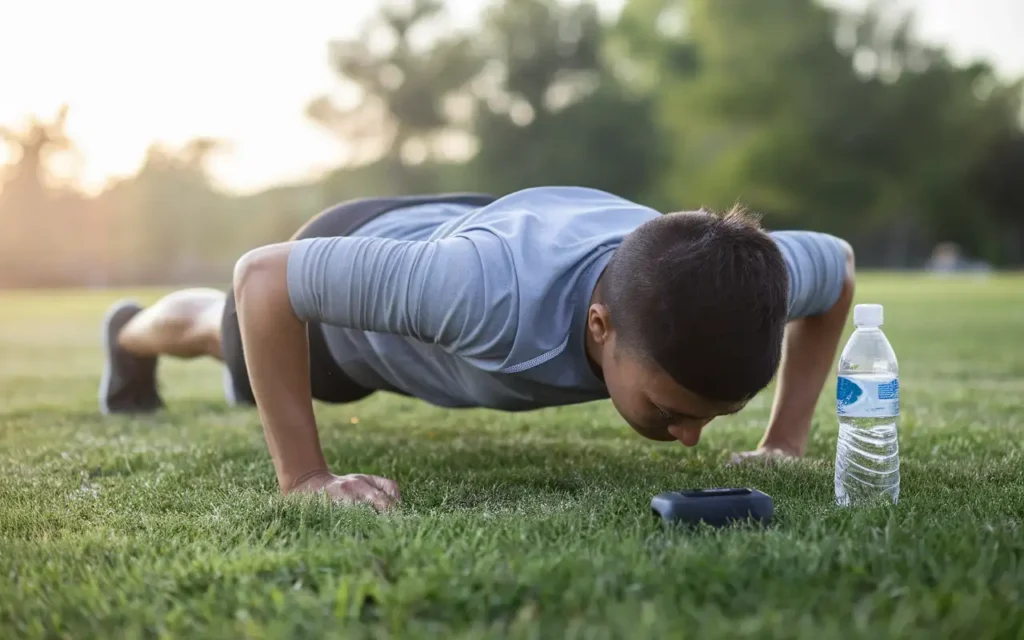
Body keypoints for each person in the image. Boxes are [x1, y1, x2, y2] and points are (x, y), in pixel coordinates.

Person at [98, 187, 854, 511]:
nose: (690, 437)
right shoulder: (482, 294)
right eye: (671, 408)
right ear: (600, 327)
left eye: (712, 417)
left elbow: (841, 264)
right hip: (364, 270)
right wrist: (306, 477)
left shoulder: (754, 273)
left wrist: (783, 440)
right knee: (218, 326)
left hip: (464, 226)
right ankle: (129, 334)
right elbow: (264, 279)